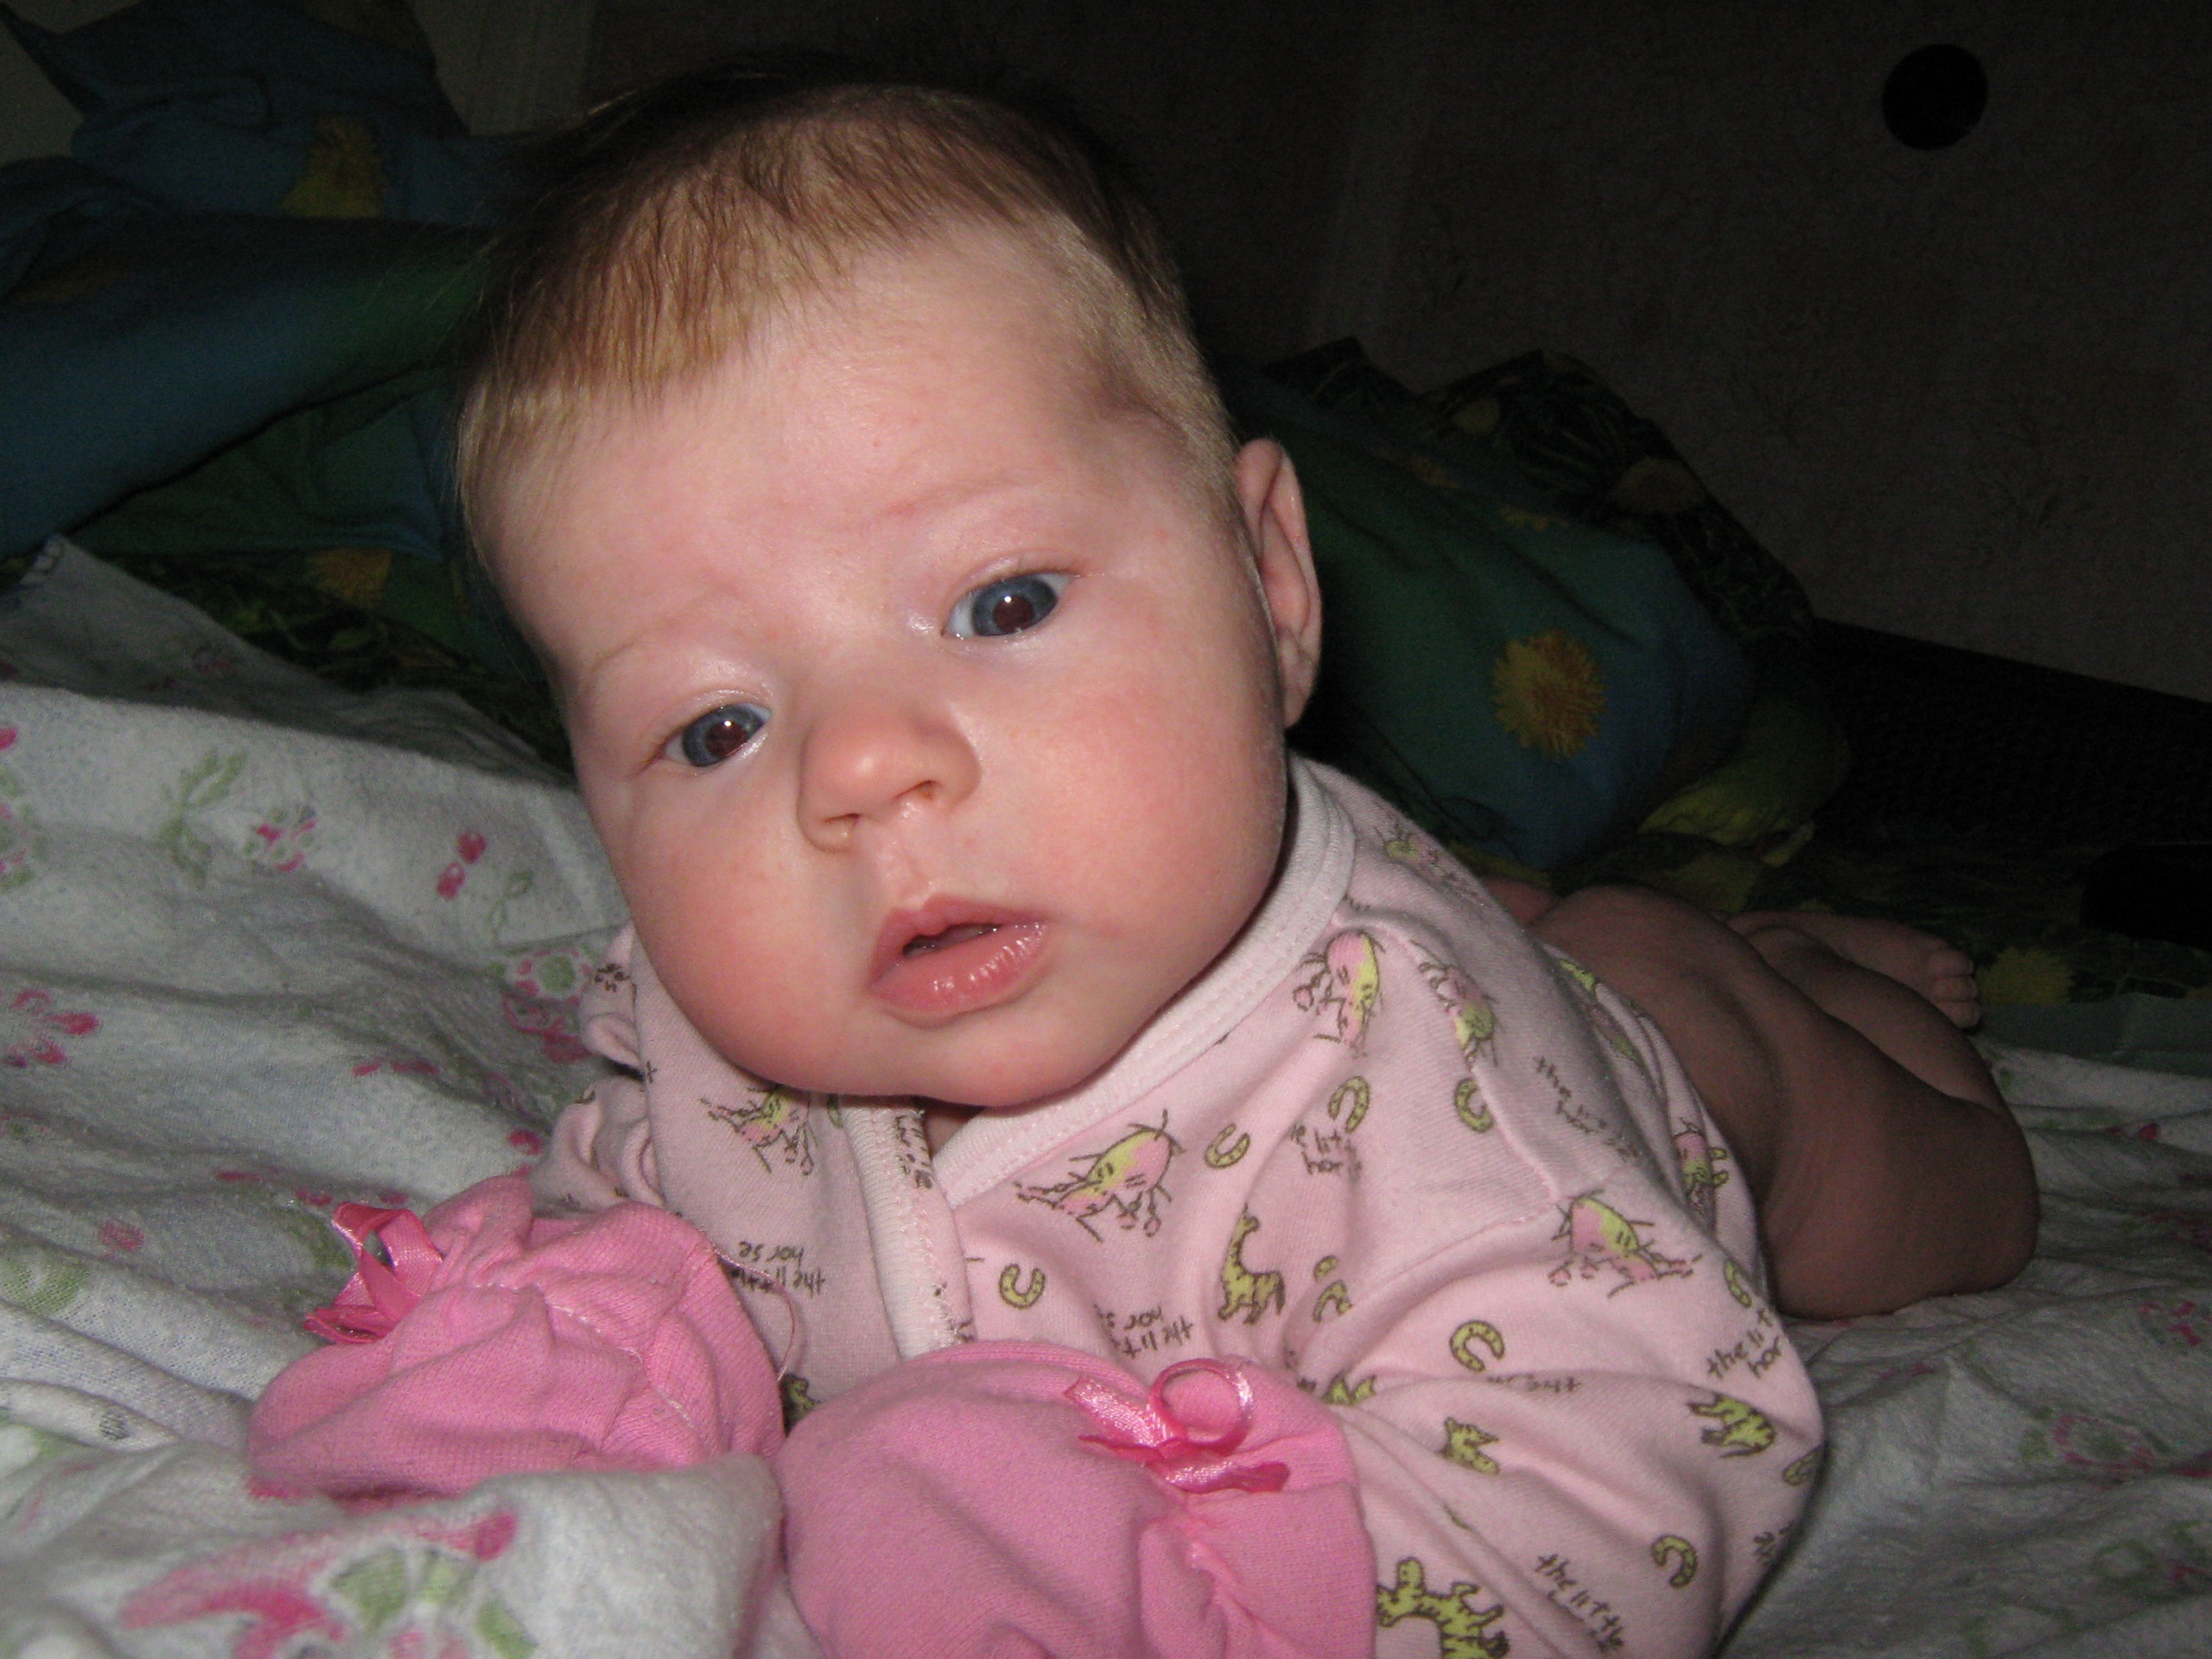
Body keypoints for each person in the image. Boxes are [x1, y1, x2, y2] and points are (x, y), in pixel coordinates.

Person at [382, 61, 2040, 1656]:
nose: (862, 770)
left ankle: (1791, 977)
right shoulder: (719, 1050)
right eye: (715, 729)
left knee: (1921, 1202)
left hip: (1683, 1068)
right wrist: (579, 1372)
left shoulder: (1417, 1093)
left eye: (1003, 604)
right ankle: (1565, 915)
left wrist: (1219, 1595)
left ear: (1273, 587)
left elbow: (1604, 1499)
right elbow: (638, 1236)